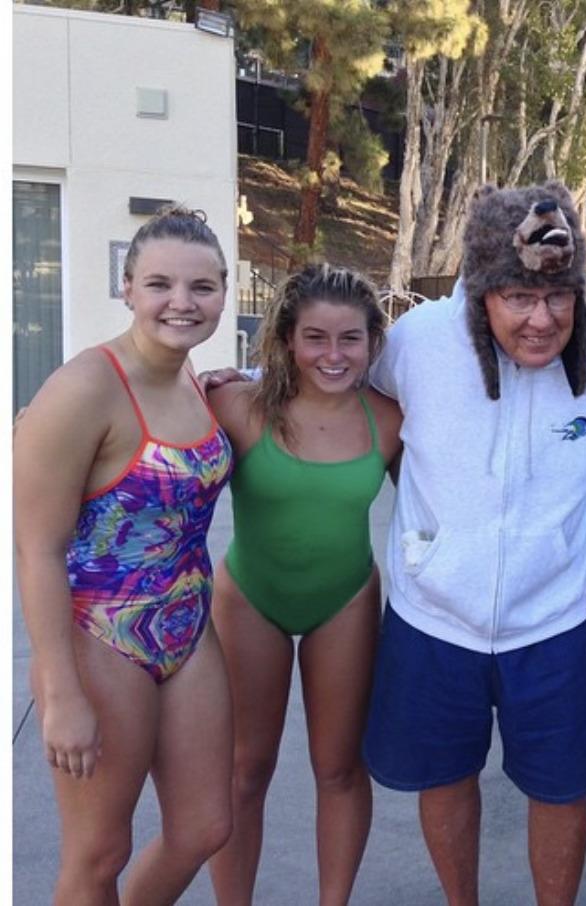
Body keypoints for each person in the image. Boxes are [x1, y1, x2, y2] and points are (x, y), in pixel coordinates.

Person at [361, 181, 586, 906]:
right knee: (445, 776)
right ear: (480, 294)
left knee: (561, 786)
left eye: (558, 297)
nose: (541, 320)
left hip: (550, 621)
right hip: (433, 614)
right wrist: (244, 383)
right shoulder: (417, 343)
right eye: (517, 298)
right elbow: (333, 385)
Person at [13, 206, 234, 905]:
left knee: (203, 827)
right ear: (128, 287)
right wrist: (59, 690)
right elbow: (36, 549)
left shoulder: (195, 378)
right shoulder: (83, 388)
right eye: (160, 284)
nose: (181, 302)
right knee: (98, 853)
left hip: (187, 628)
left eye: (201, 287)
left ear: (223, 291)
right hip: (100, 638)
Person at [205, 265, 401, 905]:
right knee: (244, 771)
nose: (334, 355)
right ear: (287, 338)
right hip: (250, 598)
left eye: (351, 339)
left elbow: (444, 506)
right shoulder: (235, 406)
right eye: (316, 337)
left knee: (340, 768)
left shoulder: (390, 421)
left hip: (342, 601)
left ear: (374, 341)